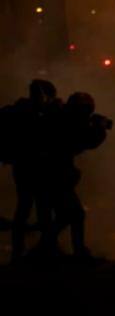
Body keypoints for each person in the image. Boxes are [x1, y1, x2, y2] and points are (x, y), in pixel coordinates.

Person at [0, 80, 61, 262]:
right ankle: (41, 251)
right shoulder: (30, 114)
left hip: (25, 166)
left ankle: (23, 253)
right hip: (32, 167)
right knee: (38, 208)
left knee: (26, 208)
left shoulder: (21, 112)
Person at [47, 92, 111, 260]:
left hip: (48, 173)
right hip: (55, 174)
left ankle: (47, 248)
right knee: (75, 215)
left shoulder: (58, 117)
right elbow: (87, 141)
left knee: (65, 215)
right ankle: (76, 252)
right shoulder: (67, 122)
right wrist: (99, 128)